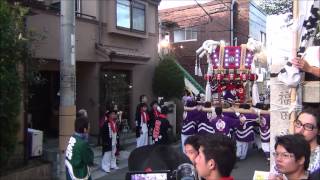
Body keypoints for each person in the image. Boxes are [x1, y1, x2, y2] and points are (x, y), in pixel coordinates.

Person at [293, 105, 320, 173]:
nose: (300, 130)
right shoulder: (286, 149)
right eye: (298, 123)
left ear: (318, 131)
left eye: (308, 126)